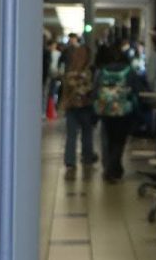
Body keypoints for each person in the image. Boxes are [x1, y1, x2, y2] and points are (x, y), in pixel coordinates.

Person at [92, 44, 146, 183]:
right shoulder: (129, 71)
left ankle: (111, 168)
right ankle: (113, 169)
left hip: (106, 109)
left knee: (108, 139)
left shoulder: (102, 71)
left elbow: (96, 90)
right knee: (119, 141)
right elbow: (137, 89)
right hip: (124, 110)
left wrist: (95, 107)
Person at [60, 41, 98, 180]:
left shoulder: (69, 70)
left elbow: (65, 89)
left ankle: (70, 160)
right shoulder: (88, 71)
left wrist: (64, 103)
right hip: (85, 106)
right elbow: (90, 89)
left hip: (71, 107)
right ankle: (87, 157)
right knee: (87, 134)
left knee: (71, 135)